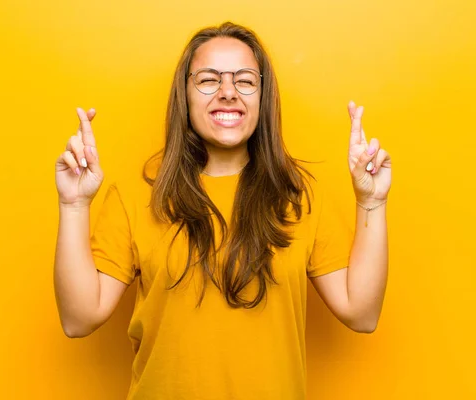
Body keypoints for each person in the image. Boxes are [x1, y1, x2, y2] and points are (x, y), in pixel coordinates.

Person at [54, 21, 391, 400]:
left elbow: (362, 314)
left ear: (263, 96)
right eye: (209, 79)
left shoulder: (299, 196)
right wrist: (73, 204)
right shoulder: (136, 196)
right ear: (185, 94)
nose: (228, 92)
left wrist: (372, 202)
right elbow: (79, 319)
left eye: (245, 80)